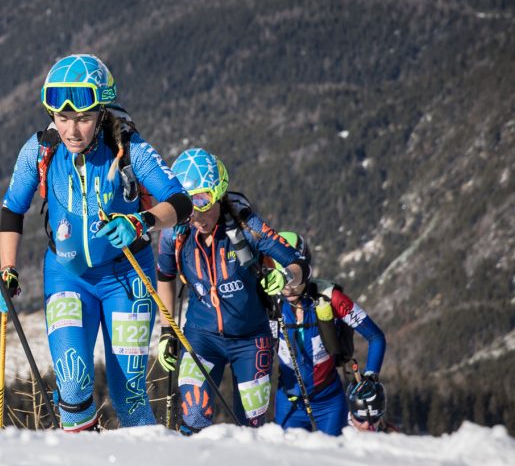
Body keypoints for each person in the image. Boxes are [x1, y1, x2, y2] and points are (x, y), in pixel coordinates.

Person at [0, 54, 192, 431]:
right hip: (67, 276)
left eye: (83, 118)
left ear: (101, 113)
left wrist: (142, 221)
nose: (72, 130)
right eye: (62, 117)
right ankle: (81, 457)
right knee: (72, 383)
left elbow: (181, 203)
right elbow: (12, 210)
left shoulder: (128, 148)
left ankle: (150, 461)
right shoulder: (40, 150)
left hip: (126, 277)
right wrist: (8, 270)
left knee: (129, 395)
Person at [155, 149, 307, 432]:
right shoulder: (175, 233)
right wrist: (167, 331)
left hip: (251, 339)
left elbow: (298, 263)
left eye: (204, 202)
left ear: (219, 195)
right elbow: (165, 276)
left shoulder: (247, 225)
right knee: (194, 416)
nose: (196, 215)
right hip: (201, 337)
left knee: (249, 426)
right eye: (187, 205)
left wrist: (286, 276)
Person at [271, 231, 386, 435]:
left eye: (293, 278)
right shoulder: (269, 303)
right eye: (280, 279)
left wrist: (370, 376)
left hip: (329, 404)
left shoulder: (331, 298)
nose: (287, 288)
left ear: (305, 271)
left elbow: (376, 337)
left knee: (331, 455)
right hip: (288, 403)